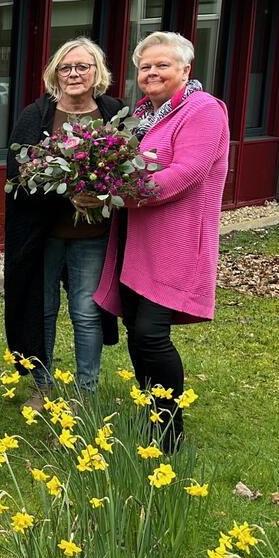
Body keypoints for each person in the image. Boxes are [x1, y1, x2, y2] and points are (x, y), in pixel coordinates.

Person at [92, 31, 228, 450]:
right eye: (145, 66)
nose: (151, 72)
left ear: (186, 70)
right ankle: (153, 415)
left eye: (162, 65)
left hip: (174, 241)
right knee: (137, 330)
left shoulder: (203, 110)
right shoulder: (142, 115)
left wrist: (115, 193)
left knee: (152, 333)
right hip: (134, 237)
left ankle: (169, 431)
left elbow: (186, 173)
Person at [5, 38, 124, 398]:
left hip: (93, 235)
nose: (74, 74)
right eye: (65, 68)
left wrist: (102, 192)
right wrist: (65, 193)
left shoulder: (113, 112)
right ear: (55, 74)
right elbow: (18, 176)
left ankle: (87, 391)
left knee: (86, 311)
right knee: (42, 310)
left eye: (82, 67)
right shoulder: (36, 115)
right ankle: (42, 387)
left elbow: (125, 171)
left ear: (96, 72)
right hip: (42, 236)